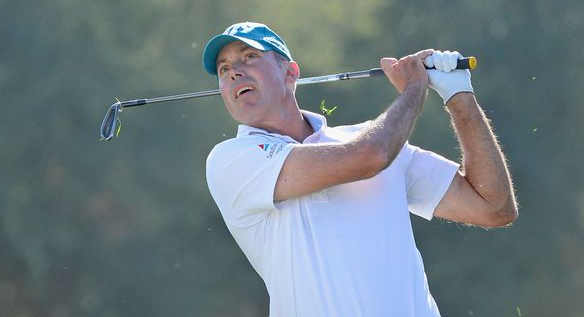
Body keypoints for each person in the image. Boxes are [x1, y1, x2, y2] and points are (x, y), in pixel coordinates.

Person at [202, 22, 518, 316]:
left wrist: (459, 98)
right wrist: (414, 89)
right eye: (224, 69)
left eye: (250, 57)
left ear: (290, 71)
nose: (234, 72)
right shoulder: (231, 160)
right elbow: (371, 156)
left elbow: (493, 207)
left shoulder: (372, 140)